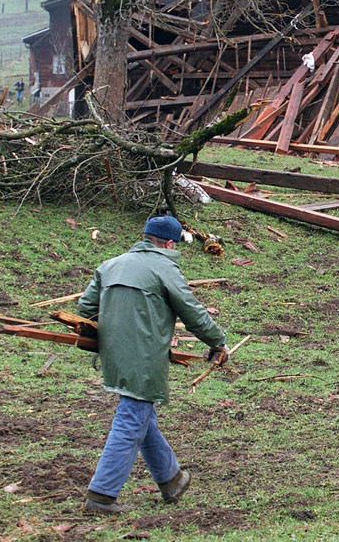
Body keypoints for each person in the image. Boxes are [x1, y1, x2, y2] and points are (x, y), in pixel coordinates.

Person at [77, 215, 229, 514]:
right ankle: (101, 495)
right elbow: (192, 311)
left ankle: (171, 479)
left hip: (112, 356)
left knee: (141, 415)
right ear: (170, 243)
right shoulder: (164, 267)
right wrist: (217, 341)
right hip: (143, 358)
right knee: (132, 418)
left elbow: (85, 308)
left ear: (145, 237)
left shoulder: (111, 264)